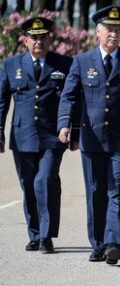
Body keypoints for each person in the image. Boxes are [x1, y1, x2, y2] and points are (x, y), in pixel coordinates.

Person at [57, 5, 120, 265]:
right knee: (96, 190)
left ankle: (113, 242)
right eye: (109, 29)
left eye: (118, 29)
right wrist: (65, 125)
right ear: (97, 32)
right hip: (92, 138)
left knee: (117, 188)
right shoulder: (81, 61)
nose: (114, 33)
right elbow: (69, 96)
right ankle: (97, 243)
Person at [0, 17, 73, 254]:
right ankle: (34, 233)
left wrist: (72, 127)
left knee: (45, 181)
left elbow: (72, 99)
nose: (39, 42)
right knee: (28, 185)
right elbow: (2, 102)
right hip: (22, 136)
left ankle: (46, 235)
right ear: (25, 40)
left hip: (53, 136)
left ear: (50, 39)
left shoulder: (64, 64)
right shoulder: (11, 65)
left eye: (43, 37)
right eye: (34, 37)